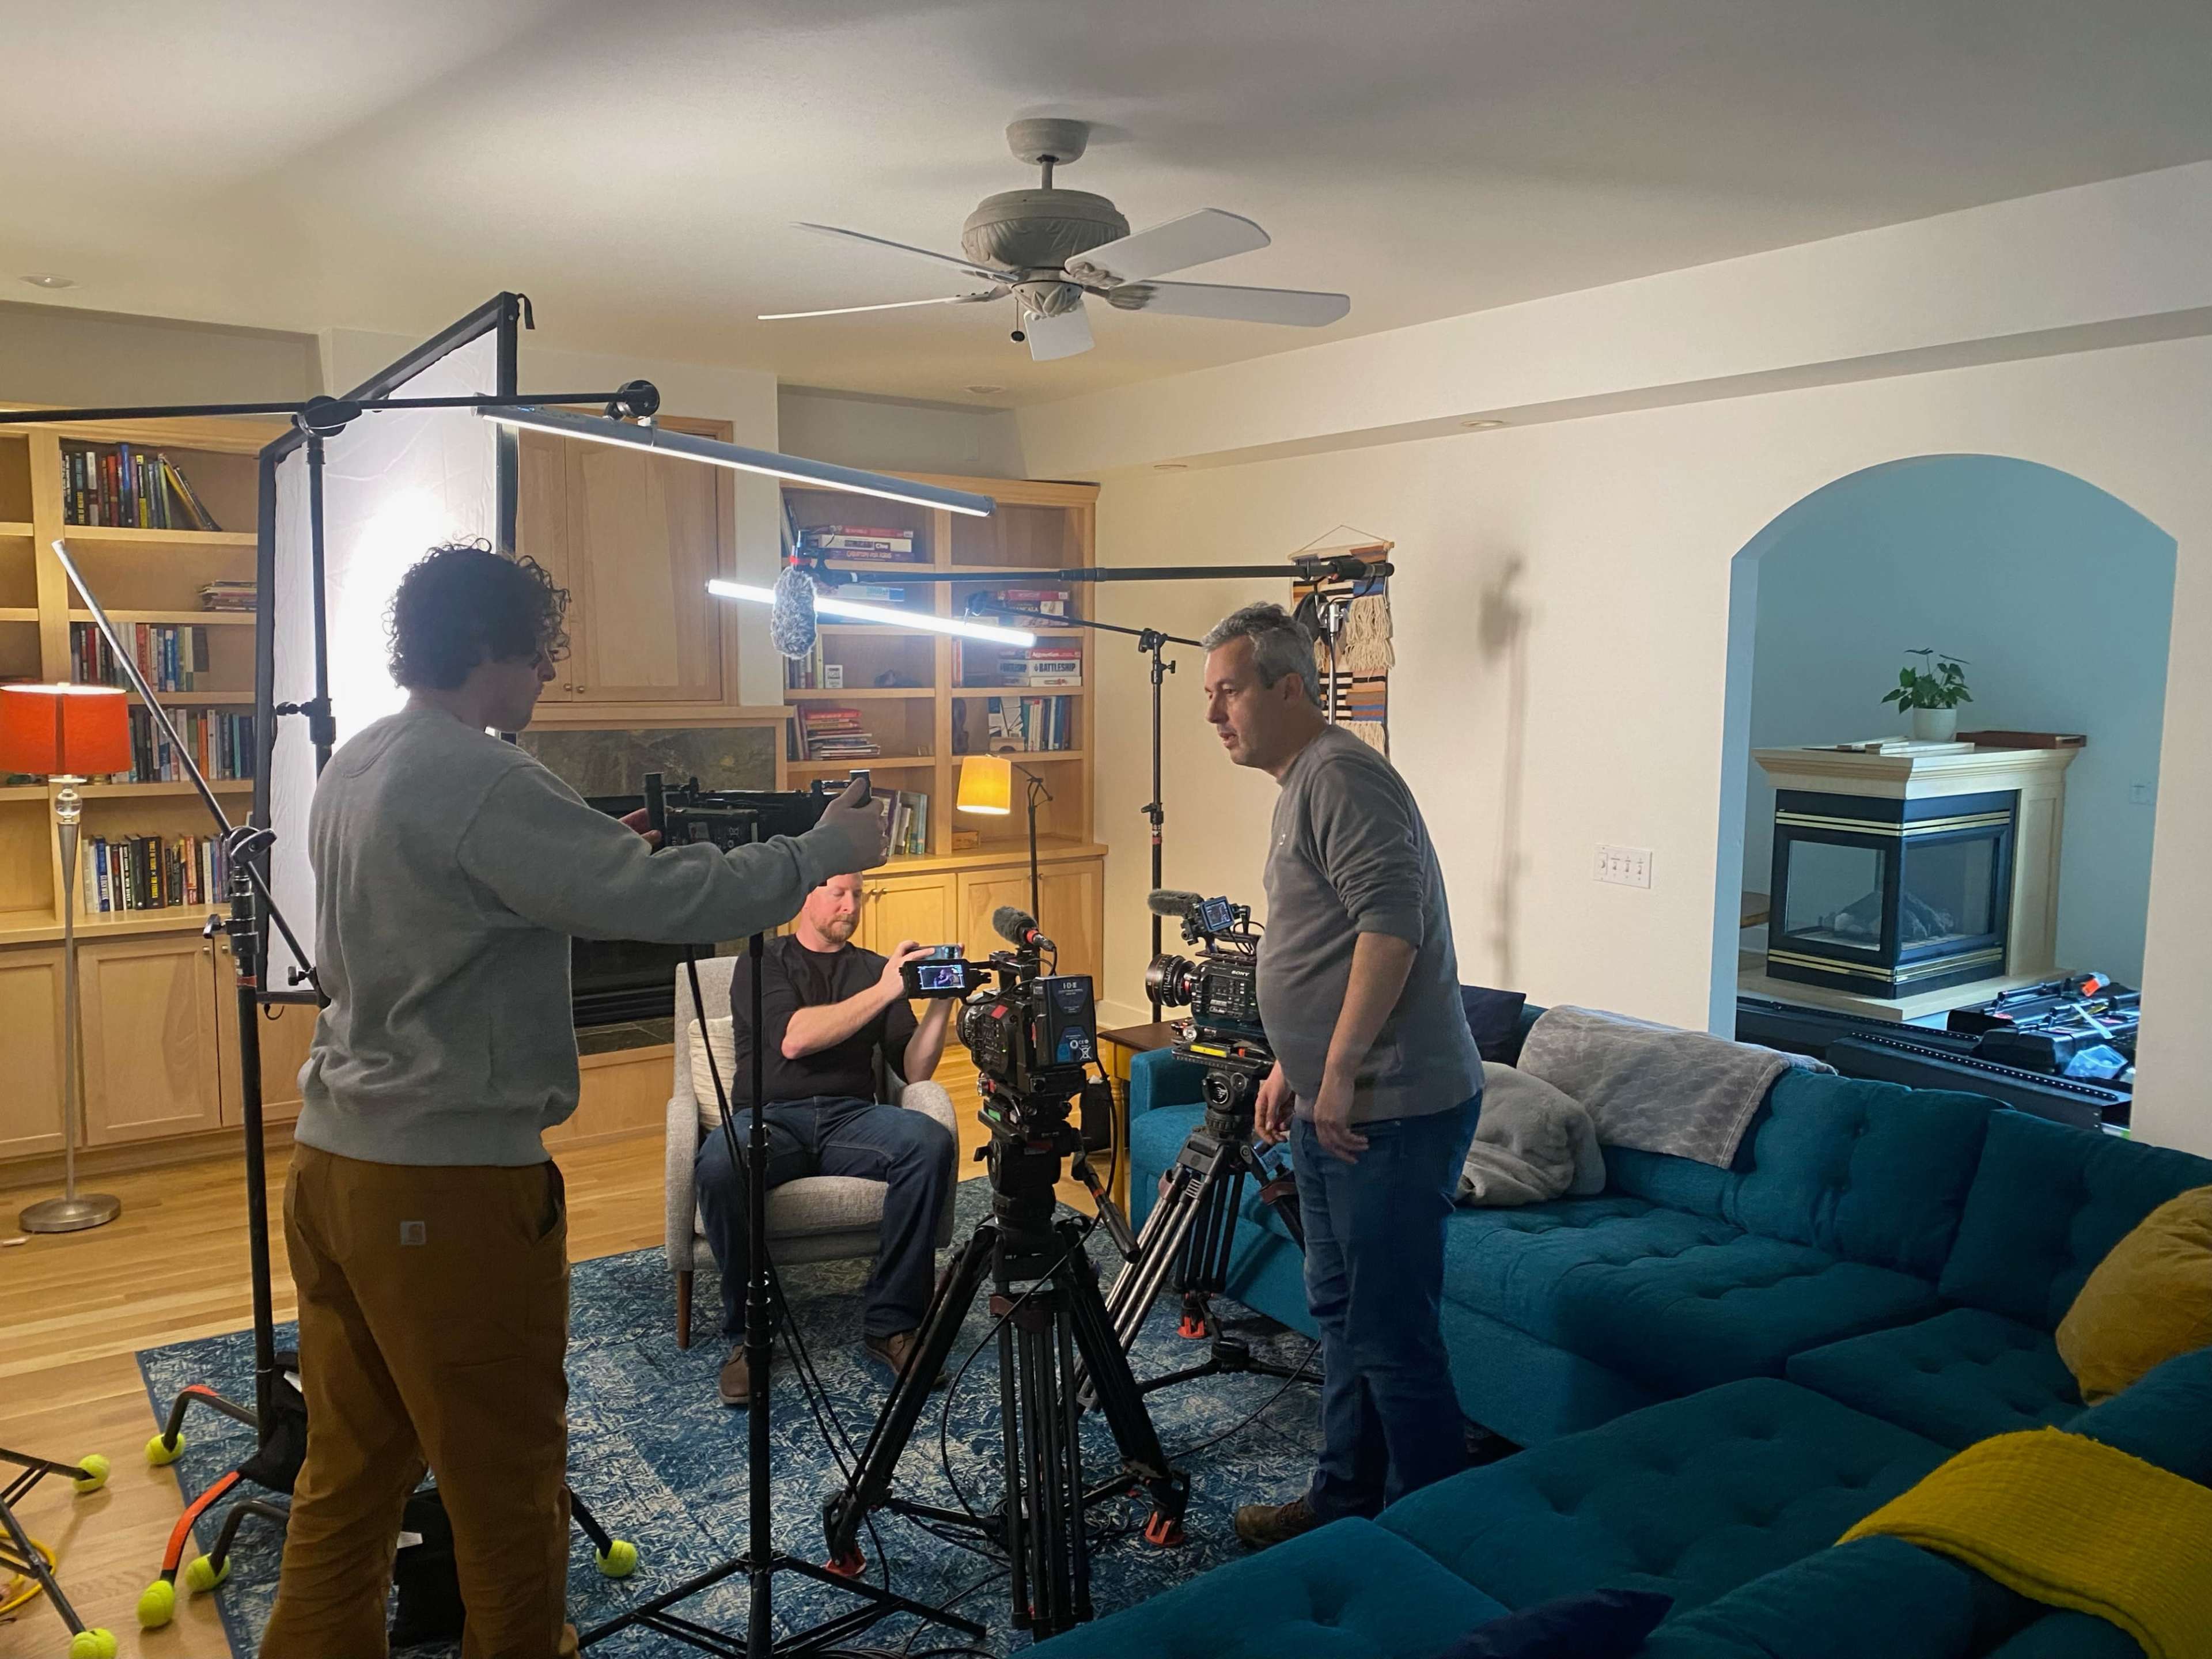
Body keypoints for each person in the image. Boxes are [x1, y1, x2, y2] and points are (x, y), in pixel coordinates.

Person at [262, 541, 885, 1659]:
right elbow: (664, 900)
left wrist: (584, 860)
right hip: (445, 1187)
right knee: (508, 1493)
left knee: (348, 1477)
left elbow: (459, 906)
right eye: (541, 655)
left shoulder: (358, 763)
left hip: (331, 1164)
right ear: (492, 647)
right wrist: (825, 848)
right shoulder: (483, 775)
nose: (547, 679)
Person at [1199, 601, 1484, 1551]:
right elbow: (1327, 944)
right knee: (1344, 1318)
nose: (1214, 716)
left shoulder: (1341, 777)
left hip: (1391, 1110)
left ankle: (1440, 1539)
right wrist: (1296, 1062)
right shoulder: (1302, 783)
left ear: (1290, 687)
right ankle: (1344, 1505)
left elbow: (1390, 928)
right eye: (1210, 696)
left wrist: (1341, 1072)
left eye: (1228, 691)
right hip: (1340, 1102)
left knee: (1391, 1335)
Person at [694, 872, 959, 1407]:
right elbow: (795, 1039)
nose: (851, 905)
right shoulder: (762, 960)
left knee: (929, 1143)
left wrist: (940, 1001)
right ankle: (752, 1334)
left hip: (850, 1120)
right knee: (721, 1166)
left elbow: (913, 1068)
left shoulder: (870, 968)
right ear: (804, 898)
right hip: (769, 1118)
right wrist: (888, 988)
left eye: (857, 895)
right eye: (839, 893)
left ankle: (892, 1325)